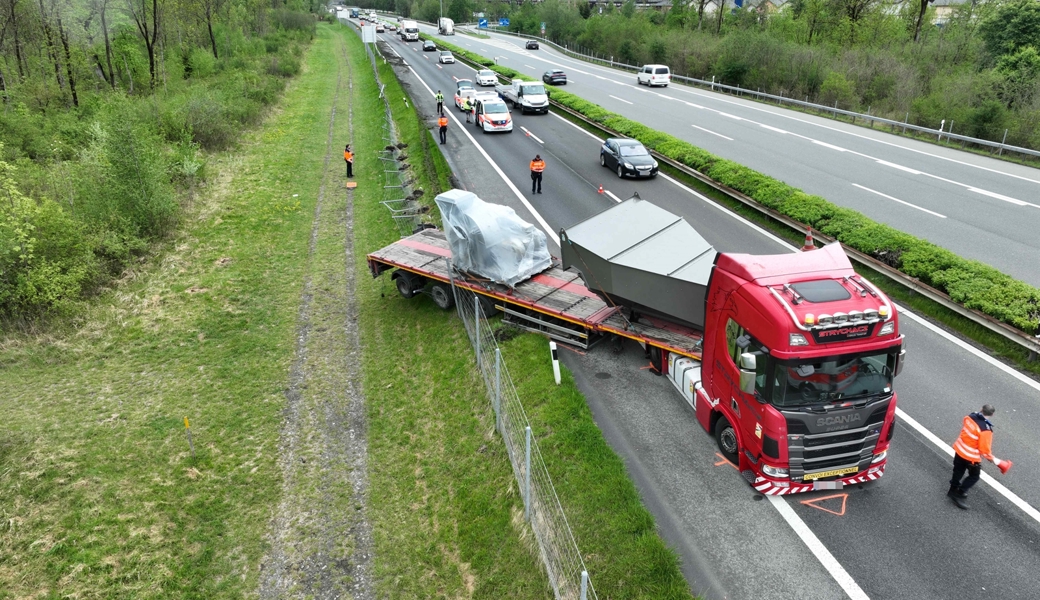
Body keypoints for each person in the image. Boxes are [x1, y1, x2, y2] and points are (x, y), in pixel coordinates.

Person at [949, 404, 1001, 509]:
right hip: (970, 457)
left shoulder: (970, 416)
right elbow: (984, 449)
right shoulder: (985, 429)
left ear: (981, 409)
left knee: (958, 471)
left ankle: (952, 490)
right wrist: (993, 460)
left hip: (959, 449)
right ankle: (959, 493)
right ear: (992, 414)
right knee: (974, 476)